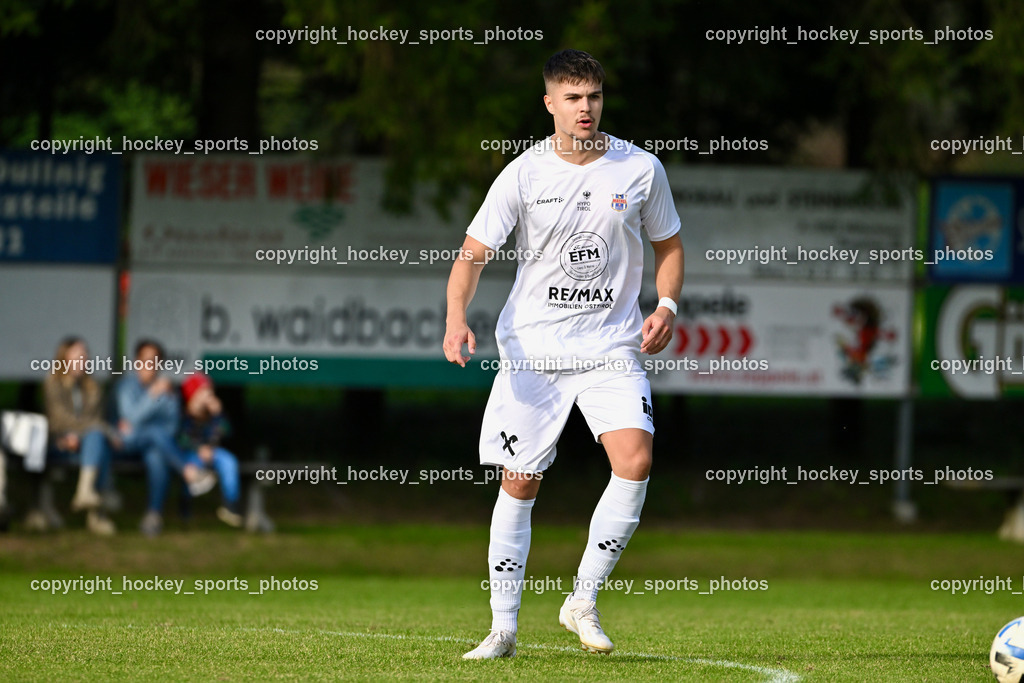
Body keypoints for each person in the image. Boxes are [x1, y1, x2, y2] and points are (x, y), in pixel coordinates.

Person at [443, 49, 684, 658]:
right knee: (520, 483)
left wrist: (667, 306)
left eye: (594, 97)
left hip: (611, 346)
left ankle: (582, 600)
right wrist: (455, 319)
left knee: (634, 461)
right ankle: (502, 627)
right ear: (549, 103)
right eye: (572, 98)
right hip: (534, 350)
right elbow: (472, 254)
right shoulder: (524, 173)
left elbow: (670, 245)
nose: (585, 108)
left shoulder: (640, 168)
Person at [116, 339, 216, 536]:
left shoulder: (167, 390)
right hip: (125, 445)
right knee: (155, 433)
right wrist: (152, 396)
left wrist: (140, 422)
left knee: (156, 455)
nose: (149, 365)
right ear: (136, 362)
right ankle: (189, 472)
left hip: (156, 447)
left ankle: (153, 516)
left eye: (154, 361)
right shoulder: (126, 387)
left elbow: (171, 428)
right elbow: (128, 421)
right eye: (145, 360)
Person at [42, 337, 120, 535]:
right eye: (77, 354)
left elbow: (95, 419)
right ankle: (97, 511)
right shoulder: (52, 383)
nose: (83, 358)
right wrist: (101, 430)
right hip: (57, 441)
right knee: (98, 437)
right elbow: (60, 420)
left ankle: (86, 493)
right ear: (64, 357)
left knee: (97, 440)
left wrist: (90, 431)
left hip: (86, 444)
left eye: (85, 354)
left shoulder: (93, 388)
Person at [178, 373, 244, 528]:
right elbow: (180, 440)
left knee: (229, 461)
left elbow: (226, 433)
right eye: (203, 391)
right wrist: (198, 448)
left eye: (209, 391)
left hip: (213, 452)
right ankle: (185, 507)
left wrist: (218, 415)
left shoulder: (213, 414)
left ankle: (231, 505)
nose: (208, 395)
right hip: (191, 454)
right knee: (192, 466)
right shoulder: (183, 414)